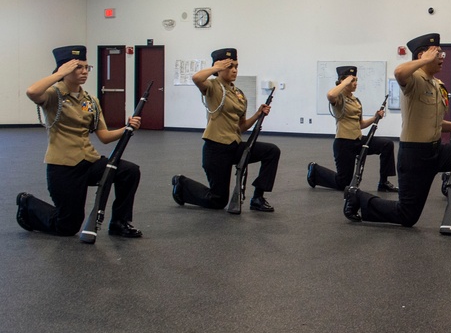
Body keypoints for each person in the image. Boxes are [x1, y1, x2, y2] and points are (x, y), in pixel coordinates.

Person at [343, 33, 451, 228]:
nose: (441, 59)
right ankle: (356, 197)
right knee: (407, 215)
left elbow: (437, 122)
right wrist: (423, 61)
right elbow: (399, 73)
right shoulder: (413, 79)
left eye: (441, 54)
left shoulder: (438, 85)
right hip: (415, 156)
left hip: (437, 150)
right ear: (422, 55)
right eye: (437, 54)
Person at [15, 45, 143, 238]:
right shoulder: (53, 94)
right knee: (67, 226)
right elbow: (32, 92)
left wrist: (126, 128)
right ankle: (28, 203)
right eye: (77, 67)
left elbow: (104, 136)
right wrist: (59, 74)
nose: (84, 72)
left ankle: (119, 222)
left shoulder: (91, 100)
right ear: (64, 69)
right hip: (64, 166)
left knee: (129, 171)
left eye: (86, 67)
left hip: (89, 161)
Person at [171, 48, 281, 212]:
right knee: (218, 200)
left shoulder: (239, 94)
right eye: (230, 66)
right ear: (220, 67)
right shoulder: (212, 87)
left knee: (271, 151)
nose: (234, 70)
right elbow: (196, 78)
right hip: (216, 149)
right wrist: (216, 68)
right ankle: (182, 184)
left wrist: (258, 114)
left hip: (234, 146)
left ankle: (258, 197)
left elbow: (241, 127)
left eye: (236, 66)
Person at [306, 66, 398, 193]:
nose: (355, 83)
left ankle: (383, 182)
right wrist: (344, 82)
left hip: (358, 140)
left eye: (356, 80)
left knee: (387, 144)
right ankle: (315, 170)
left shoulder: (356, 100)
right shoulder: (338, 98)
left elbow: (360, 124)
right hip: (344, 143)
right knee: (343, 183)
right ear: (343, 81)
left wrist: (375, 118)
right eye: (352, 80)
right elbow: (330, 94)